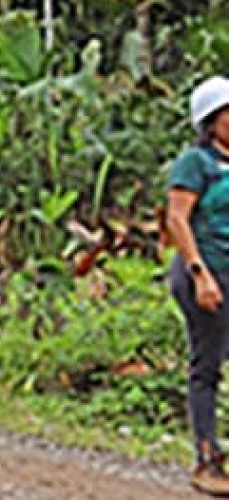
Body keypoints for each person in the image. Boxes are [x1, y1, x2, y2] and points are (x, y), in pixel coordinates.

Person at [165, 75, 229, 495]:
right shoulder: (195, 163)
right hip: (205, 271)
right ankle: (206, 460)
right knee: (206, 365)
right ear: (212, 120)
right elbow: (176, 219)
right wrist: (199, 272)